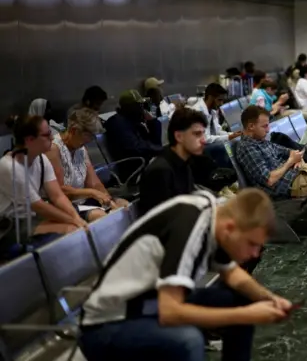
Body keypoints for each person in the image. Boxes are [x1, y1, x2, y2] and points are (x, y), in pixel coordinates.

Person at [79, 189, 292, 361]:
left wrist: (268, 298)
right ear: (229, 229)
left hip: (148, 304)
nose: (255, 253)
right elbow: (170, 312)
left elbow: (232, 274)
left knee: (241, 297)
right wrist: (249, 315)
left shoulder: (213, 214)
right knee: (187, 340)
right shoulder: (190, 227)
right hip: (106, 326)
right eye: (252, 244)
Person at [0, 115, 86, 246]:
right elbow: (38, 205)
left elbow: (57, 196)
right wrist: (74, 221)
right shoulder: (8, 167)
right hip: (10, 226)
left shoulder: (41, 159)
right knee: (73, 231)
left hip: (33, 217)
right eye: (47, 135)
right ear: (30, 140)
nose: (52, 138)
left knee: (76, 221)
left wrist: (75, 217)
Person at [46, 108, 129, 222]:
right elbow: (60, 191)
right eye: (90, 135)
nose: (91, 140)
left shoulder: (81, 149)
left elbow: (94, 183)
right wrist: (91, 192)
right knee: (101, 217)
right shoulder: (54, 149)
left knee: (124, 206)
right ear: (74, 131)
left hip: (84, 201)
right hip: (65, 206)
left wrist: (109, 201)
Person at [137, 108, 206, 216]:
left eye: (203, 134)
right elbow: (163, 221)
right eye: (197, 134)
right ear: (179, 136)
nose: (203, 140)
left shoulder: (184, 162)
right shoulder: (160, 171)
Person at [104, 90, 163, 181]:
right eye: (139, 106)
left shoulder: (133, 122)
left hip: (142, 164)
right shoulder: (117, 123)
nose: (143, 109)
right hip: (131, 170)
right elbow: (135, 148)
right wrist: (161, 150)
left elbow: (155, 143)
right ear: (129, 108)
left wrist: (153, 122)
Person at [188, 83, 241, 169]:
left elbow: (217, 131)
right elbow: (205, 138)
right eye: (219, 100)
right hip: (198, 145)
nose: (221, 104)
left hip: (208, 142)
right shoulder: (197, 112)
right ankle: (222, 174)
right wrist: (229, 137)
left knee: (237, 141)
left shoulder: (212, 110)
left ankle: (235, 173)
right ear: (210, 97)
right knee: (223, 147)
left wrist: (233, 134)